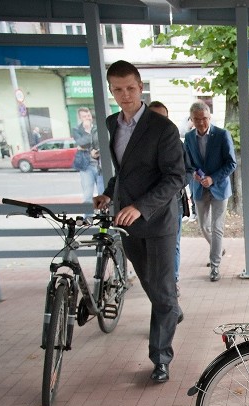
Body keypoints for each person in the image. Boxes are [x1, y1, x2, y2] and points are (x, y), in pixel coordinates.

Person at [92, 60, 185, 384]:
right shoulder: (111, 124)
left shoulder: (163, 128)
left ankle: (160, 358)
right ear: (111, 90)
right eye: (118, 89)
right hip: (126, 221)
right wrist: (107, 193)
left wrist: (141, 206)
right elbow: (124, 171)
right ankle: (171, 306)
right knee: (153, 287)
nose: (125, 95)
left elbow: (176, 177)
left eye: (130, 88)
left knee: (159, 290)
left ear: (140, 86)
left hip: (158, 221)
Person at [183, 101, 237, 282]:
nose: (201, 123)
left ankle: (215, 265)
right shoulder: (189, 138)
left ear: (209, 117)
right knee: (203, 226)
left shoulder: (222, 135)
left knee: (217, 227)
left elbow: (231, 163)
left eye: (204, 119)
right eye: (197, 119)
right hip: (199, 188)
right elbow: (188, 163)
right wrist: (195, 175)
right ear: (191, 119)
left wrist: (213, 178)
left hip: (219, 187)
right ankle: (218, 248)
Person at [147, 100, 189, 296]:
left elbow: (186, 171)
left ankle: (173, 282)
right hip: (146, 205)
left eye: (163, 118)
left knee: (173, 244)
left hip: (173, 203)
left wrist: (173, 187)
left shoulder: (176, 143)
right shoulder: (138, 145)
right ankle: (157, 283)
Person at [71, 107, 104, 206]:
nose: (87, 118)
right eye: (84, 116)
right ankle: (87, 220)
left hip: (99, 166)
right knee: (87, 195)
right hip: (86, 166)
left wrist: (85, 146)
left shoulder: (98, 128)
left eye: (88, 115)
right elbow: (81, 143)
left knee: (102, 195)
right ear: (80, 118)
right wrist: (88, 131)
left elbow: (100, 144)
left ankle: (103, 217)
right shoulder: (77, 129)